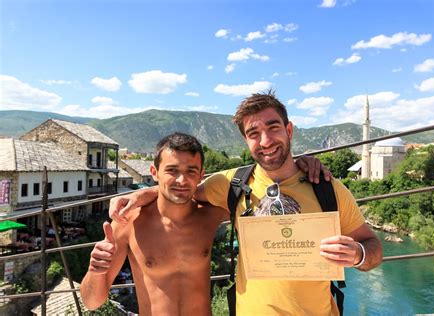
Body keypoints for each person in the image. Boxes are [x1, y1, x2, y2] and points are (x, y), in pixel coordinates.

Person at [109, 91, 383, 315]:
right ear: (246, 140)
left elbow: (373, 248)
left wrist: (358, 254)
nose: (265, 141)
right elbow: (182, 189)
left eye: (273, 127)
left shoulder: (328, 188)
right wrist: (141, 194)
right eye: (254, 133)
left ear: (288, 129)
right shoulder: (230, 184)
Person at [80, 133, 228, 316]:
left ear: (201, 175)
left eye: (191, 171)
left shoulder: (210, 214)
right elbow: (91, 302)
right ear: (154, 172)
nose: (182, 180)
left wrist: (143, 194)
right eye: (172, 170)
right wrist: (95, 270)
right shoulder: (128, 222)